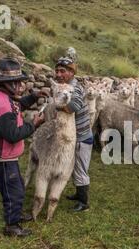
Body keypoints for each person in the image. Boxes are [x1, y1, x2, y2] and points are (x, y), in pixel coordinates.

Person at [0, 57, 46, 237]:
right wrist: (34, 125)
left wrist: (33, 97)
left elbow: (17, 106)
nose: (19, 85)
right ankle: (12, 226)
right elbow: (12, 135)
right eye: (15, 82)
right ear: (6, 83)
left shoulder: (4, 95)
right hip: (2, 156)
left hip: (5, 156)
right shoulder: (0, 104)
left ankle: (15, 214)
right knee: (15, 190)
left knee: (13, 186)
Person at [54, 56, 93, 212]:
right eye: (57, 71)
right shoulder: (66, 85)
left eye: (62, 71)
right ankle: (78, 194)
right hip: (74, 135)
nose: (58, 74)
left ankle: (84, 202)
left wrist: (57, 106)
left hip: (82, 137)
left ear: (71, 72)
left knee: (80, 168)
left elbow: (73, 106)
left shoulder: (75, 87)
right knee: (74, 166)